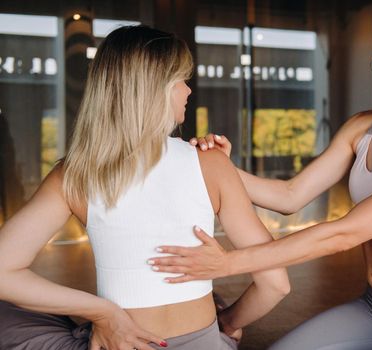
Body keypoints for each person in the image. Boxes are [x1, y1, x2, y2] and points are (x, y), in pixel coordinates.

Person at [147, 5, 372, 350]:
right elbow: (290, 195)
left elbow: (344, 233)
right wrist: (221, 167)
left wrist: (228, 262)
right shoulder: (363, 128)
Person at [0, 25, 290, 350]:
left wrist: (103, 313)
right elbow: (276, 285)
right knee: (216, 300)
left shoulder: (75, 174)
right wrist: (228, 326)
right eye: (181, 80)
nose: (188, 91)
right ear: (157, 89)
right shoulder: (213, 163)